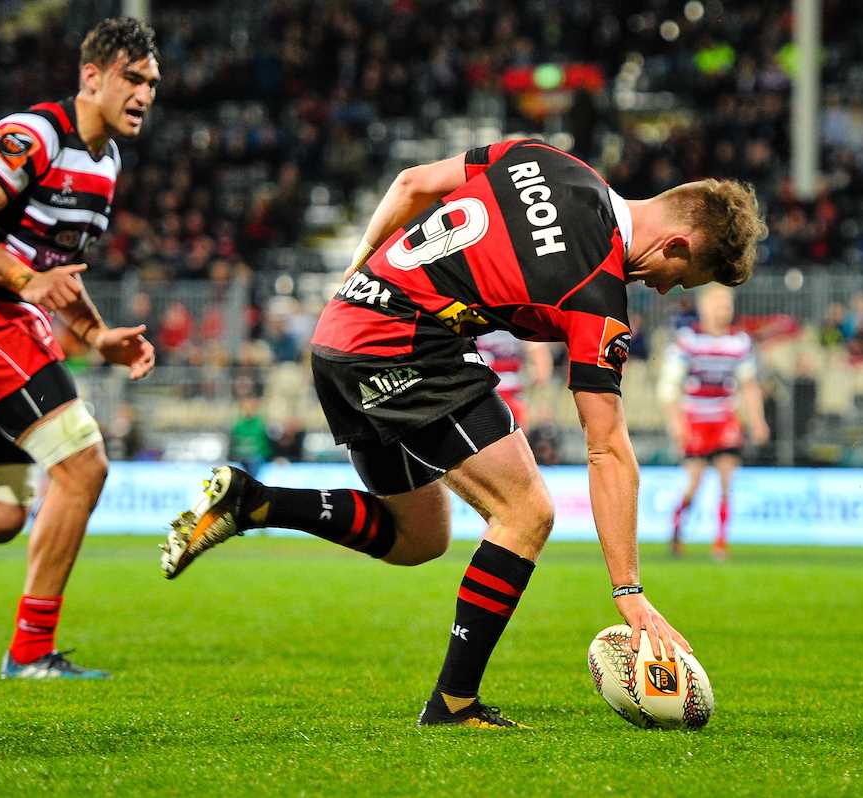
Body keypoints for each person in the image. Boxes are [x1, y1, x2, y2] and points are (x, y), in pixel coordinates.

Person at [161, 139, 765, 727]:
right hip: (402, 345)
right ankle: (454, 703)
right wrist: (627, 590)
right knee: (526, 513)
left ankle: (252, 501)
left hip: (342, 332)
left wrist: (357, 271)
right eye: (680, 277)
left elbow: (411, 184)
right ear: (677, 243)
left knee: (418, 538)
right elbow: (606, 446)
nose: (662, 288)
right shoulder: (597, 293)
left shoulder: (546, 159)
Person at [0, 18, 158, 679]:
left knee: (0, 514)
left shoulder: (107, 163)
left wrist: (97, 335)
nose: (146, 94)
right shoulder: (36, 134)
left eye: (152, 83)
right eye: (133, 78)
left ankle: (30, 650)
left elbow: (57, 269)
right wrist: (23, 280)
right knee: (83, 467)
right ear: (92, 76)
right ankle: (31, 651)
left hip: (11, 321)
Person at [659, 284, 769, 560]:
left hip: (724, 418)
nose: (724, 310)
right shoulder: (688, 340)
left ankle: (720, 542)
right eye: (718, 304)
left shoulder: (739, 342)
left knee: (726, 479)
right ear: (704, 306)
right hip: (696, 418)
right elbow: (670, 385)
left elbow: (749, 385)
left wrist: (757, 421)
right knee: (694, 483)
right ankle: (677, 529)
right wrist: (676, 421)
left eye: (727, 304)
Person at [475, 329, 552, 430]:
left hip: (486, 391)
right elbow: (540, 361)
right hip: (495, 392)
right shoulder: (516, 321)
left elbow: (539, 358)